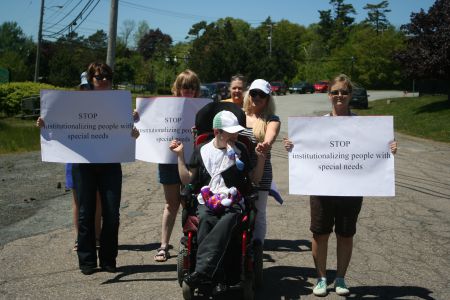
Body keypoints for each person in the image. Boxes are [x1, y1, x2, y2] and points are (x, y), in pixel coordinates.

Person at [283, 74, 398, 296]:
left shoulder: (363, 126)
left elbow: (376, 148)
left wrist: (389, 148)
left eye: (344, 92)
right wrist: (292, 146)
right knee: (320, 233)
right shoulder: (316, 126)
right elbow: (305, 149)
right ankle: (321, 278)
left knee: (346, 234)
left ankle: (341, 278)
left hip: (351, 188)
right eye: (335, 91)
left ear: (350, 95)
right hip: (321, 187)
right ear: (329, 95)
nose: (339, 96)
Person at [169, 110, 265, 289]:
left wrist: (260, 158)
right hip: (207, 199)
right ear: (217, 132)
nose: (235, 135)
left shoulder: (240, 150)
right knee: (205, 218)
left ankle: (204, 272)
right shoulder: (202, 150)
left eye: (236, 131)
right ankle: (216, 274)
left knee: (229, 217)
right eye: (230, 132)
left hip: (233, 200)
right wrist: (180, 156)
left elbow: (255, 179)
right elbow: (188, 180)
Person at [154, 69, 201, 262]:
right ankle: (164, 246)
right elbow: (151, 124)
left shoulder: (201, 108)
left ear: (196, 89)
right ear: (177, 87)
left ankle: (193, 243)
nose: (188, 90)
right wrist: (138, 115)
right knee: (171, 203)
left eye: (192, 87)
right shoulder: (164, 106)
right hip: (168, 160)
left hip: (192, 160)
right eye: (184, 86)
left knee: (192, 203)